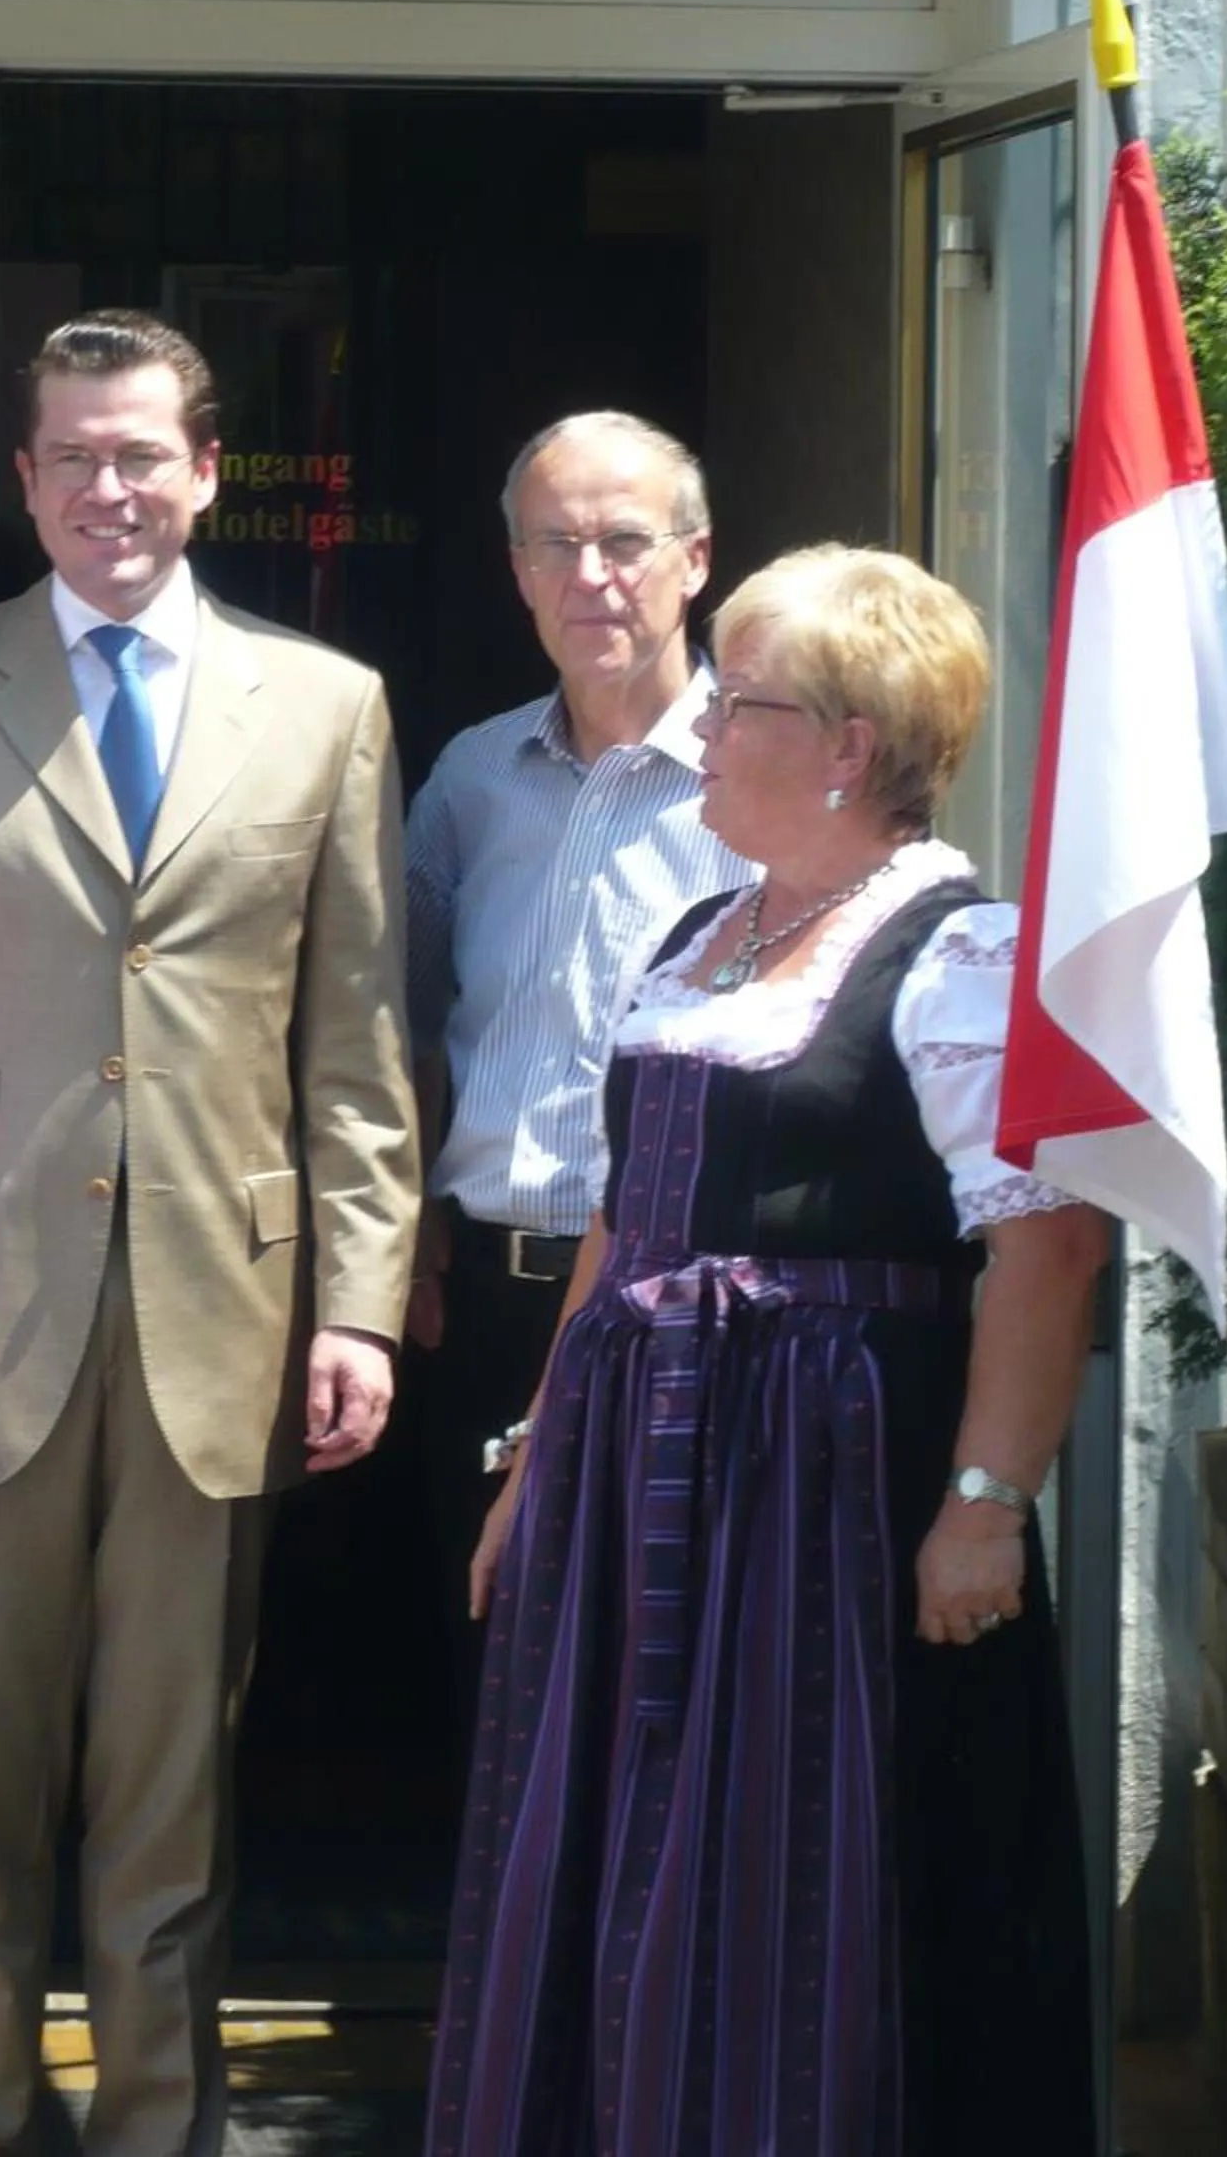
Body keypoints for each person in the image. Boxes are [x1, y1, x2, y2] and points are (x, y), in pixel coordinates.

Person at [0, 308, 419, 2157]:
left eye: (140, 452)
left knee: (174, 1806)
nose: (106, 488)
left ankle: (163, 2130)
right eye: (70, 455)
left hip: (221, 1313)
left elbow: (357, 1043)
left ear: (208, 471)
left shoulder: (327, 705)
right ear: (24, 480)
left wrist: (360, 1306)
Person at [427, 544, 1112, 2157]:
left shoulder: (959, 953)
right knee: (611, 1830)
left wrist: (986, 1504)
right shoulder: (701, 935)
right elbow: (623, 1223)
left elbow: (1050, 1246)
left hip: (824, 1486)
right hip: (641, 1474)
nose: (707, 731)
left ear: (849, 745)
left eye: (741, 703)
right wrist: (537, 1461)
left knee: (797, 1843)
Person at [403, 413, 744, 1748]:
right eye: (555, 544)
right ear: (517, 572)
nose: (591, 576)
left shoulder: (768, 774)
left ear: (695, 559)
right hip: (491, 1298)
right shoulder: (471, 779)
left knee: (670, 1681)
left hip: (688, 1299)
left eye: (624, 541)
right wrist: (409, 1240)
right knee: (493, 1673)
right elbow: (401, 1023)